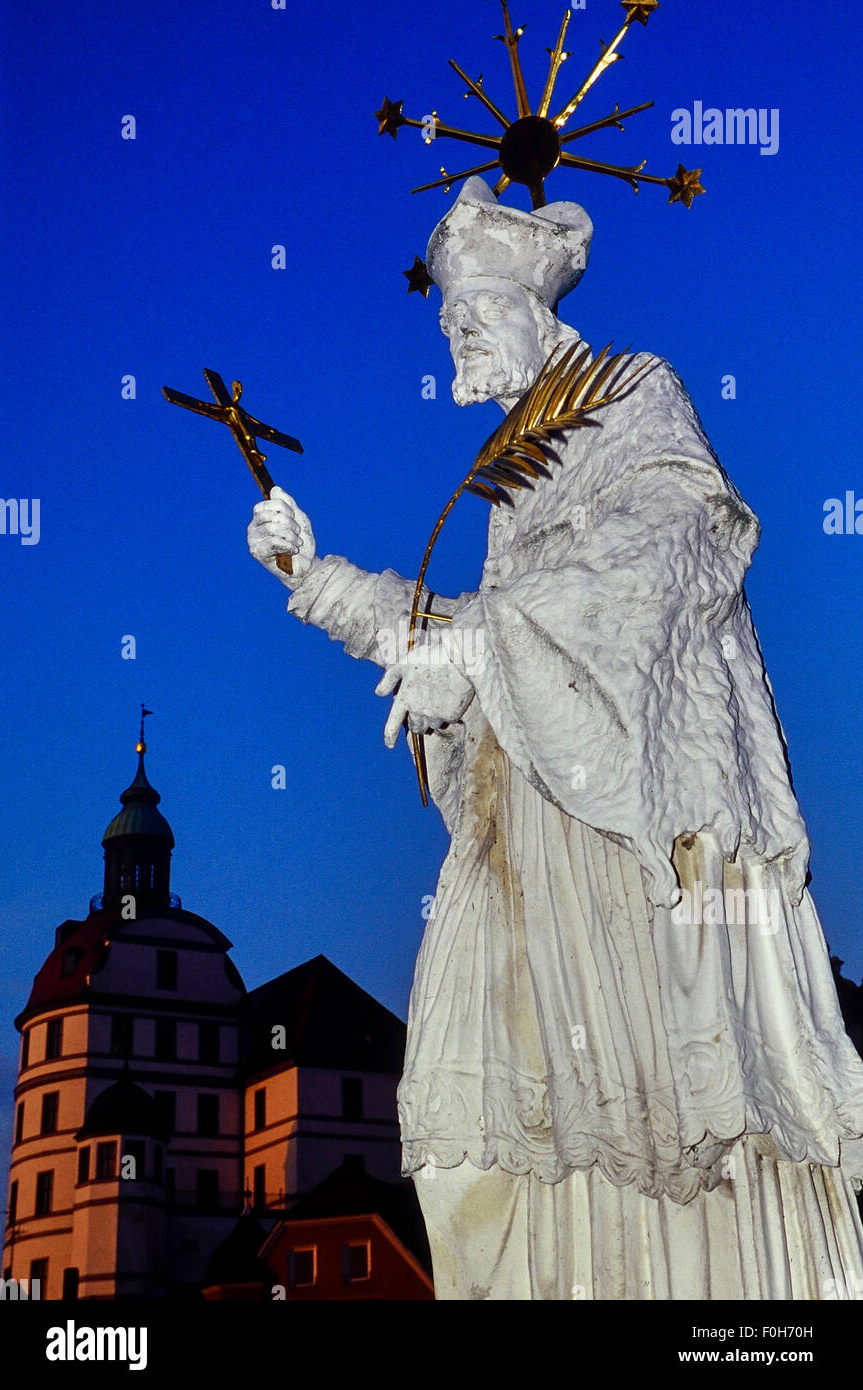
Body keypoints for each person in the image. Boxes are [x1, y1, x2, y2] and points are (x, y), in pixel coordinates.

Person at [247, 178, 863, 1299]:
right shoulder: (512, 470)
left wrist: (484, 649)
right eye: (442, 318)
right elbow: (463, 635)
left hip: (631, 829)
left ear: (534, 302)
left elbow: (675, 550)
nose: (453, 333)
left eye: (469, 309)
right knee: (472, 1140)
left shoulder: (636, 395)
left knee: (658, 1130)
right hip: (526, 818)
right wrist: (316, 574)